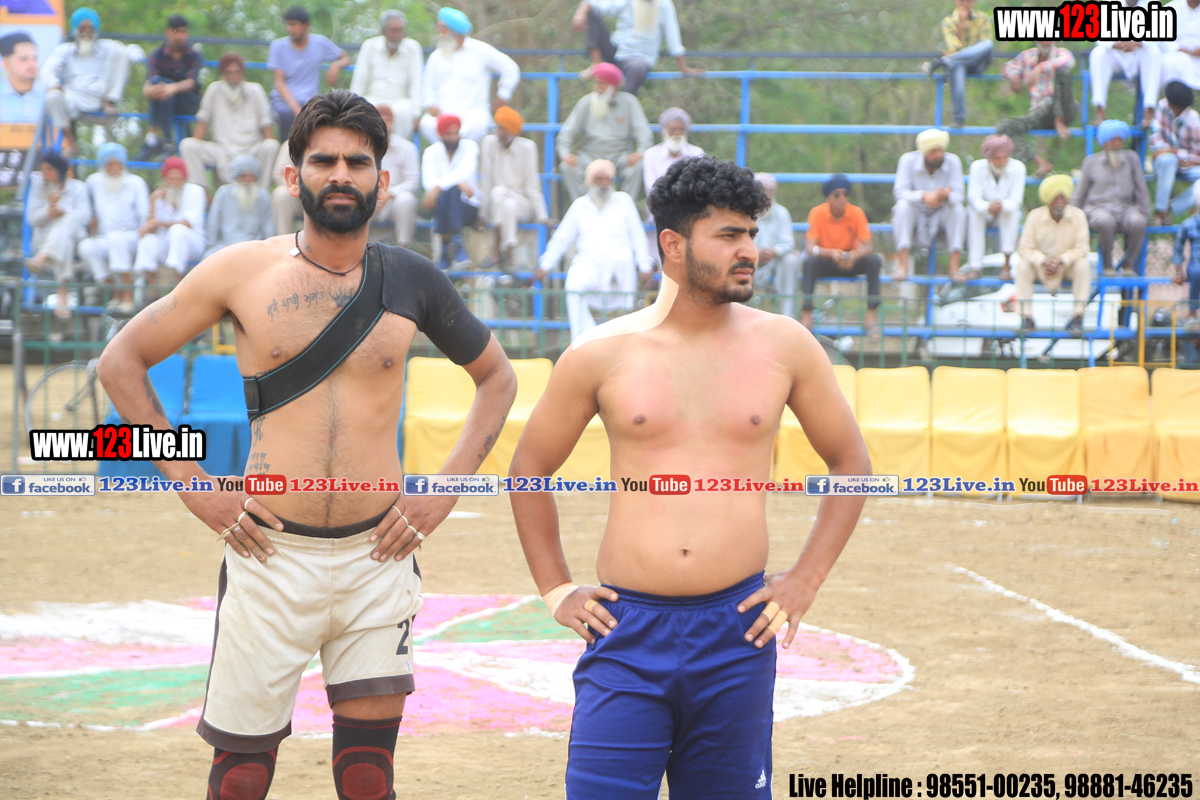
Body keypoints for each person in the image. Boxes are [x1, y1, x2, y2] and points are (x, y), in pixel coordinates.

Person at [96, 89, 516, 800]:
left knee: (366, 777)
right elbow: (120, 362)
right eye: (324, 161)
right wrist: (196, 486)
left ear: (383, 179)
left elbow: (497, 379)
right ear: (294, 176)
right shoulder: (240, 271)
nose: (341, 174)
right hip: (268, 554)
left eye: (358, 162)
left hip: (379, 556)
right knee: (240, 778)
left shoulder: (412, 278)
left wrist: (443, 492)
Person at [509, 156, 869, 799]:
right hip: (625, 631)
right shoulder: (601, 352)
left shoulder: (786, 345)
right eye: (728, 235)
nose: (748, 250)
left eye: (751, 234)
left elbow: (851, 463)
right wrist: (556, 588)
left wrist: (805, 579)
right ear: (673, 245)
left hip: (737, 631)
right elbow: (529, 468)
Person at [537, 158, 653, 341]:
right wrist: (546, 264)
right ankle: (585, 339)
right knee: (573, 284)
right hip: (589, 261)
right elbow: (561, 238)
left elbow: (638, 235)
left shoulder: (624, 201)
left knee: (624, 256)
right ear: (590, 182)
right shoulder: (580, 205)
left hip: (618, 264)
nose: (604, 184)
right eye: (599, 179)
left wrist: (645, 265)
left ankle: (628, 319)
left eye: (608, 179)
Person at [179, 52, 280, 192]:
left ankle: (261, 194)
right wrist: (197, 145)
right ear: (223, 74)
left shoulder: (256, 90)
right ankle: (202, 193)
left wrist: (269, 146)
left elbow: (267, 127)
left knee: (271, 146)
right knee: (188, 145)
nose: (233, 77)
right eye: (228, 73)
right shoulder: (214, 90)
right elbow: (202, 124)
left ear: (242, 73)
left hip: (252, 150)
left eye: (237, 72)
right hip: (222, 151)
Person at [418, 7, 520, 144]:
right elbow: (428, 85)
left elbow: (510, 68)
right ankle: (449, 152)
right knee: (426, 124)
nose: (438, 31)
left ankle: (460, 151)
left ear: (453, 31)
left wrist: (503, 95)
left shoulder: (480, 50)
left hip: (472, 113)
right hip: (443, 113)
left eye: (441, 28)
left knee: (479, 124)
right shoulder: (436, 56)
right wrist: (430, 103)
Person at [557, 62, 653, 203]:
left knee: (638, 165)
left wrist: (640, 152)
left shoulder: (629, 102)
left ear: (613, 85)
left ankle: (624, 207)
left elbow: (643, 132)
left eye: (601, 83)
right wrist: (565, 154)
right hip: (590, 156)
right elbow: (567, 132)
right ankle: (585, 206)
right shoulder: (585, 102)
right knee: (566, 167)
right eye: (595, 83)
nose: (597, 87)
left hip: (619, 156)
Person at [41, 7, 130, 156]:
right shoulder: (65, 50)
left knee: (122, 52)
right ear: (76, 29)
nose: (87, 32)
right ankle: (71, 143)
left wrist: (128, 50)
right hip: (73, 97)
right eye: (83, 28)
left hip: (101, 97)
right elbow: (46, 71)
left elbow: (135, 53)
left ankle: (110, 102)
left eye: (91, 28)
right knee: (52, 97)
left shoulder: (107, 47)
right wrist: (55, 84)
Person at [803, 173, 882, 337]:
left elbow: (869, 246)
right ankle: (807, 314)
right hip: (826, 259)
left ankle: (871, 315)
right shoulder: (817, 213)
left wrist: (853, 255)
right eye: (837, 195)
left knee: (874, 261)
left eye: (846, 194)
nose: (842, 198)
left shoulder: (856, 212)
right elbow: (810, 248)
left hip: (850, 259)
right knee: (809, 263)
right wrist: (832, 253)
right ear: (828, 197)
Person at [1015, 174, 1091, 336]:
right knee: (1022, 266)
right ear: (1048, 200)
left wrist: (1062, 260)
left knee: (1083, 265)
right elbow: (1024, 248)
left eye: (1063, 198)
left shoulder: (1078, 216)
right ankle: (1026, 317)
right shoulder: (1034, 216)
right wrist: (1043, 260)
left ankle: (1078, 317)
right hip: (1040, 267)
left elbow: (1082, 248)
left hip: (1067, 267)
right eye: (1056, 198)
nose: (1060, 202)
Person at [571, 0, 701, 95]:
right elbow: (594, 4)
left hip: (638, 59)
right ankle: (596, 64)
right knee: (590, 13)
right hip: (615, 51)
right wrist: (580, 13)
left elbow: (673, 38)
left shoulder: (665, 4)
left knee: (638, 69)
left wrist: (683, 68)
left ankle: (621, 106)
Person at [78, 143, 150, 315]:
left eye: (118, 163)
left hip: (131, 237)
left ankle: (126, 294)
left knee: (117, 239)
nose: (114, 168)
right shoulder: (94, 182)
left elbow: (145, 215)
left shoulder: (136, 183)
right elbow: (87, 210)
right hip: (105, 237)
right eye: (109, 164)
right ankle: (113, 289)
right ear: (103, 165)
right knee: (85, 247)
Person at [1073, 119, 1150, 276]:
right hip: (1098, 208)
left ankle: (1129, 264)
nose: (1117, 144)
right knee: (1105, 221)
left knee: (1139, 221)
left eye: (1120, 140)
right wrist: (1072, 217)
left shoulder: (1131, 159)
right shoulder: (1091, 162)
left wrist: (1146, 213)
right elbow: (1079, 194)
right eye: (1113, 140)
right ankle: (1107, 264)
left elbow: (1141, 189)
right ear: (1104, 142)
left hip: (1126, 208)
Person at [479, 106, 550, 269]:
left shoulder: (528, 147)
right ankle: (509, 253)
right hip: (499, 203)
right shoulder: (489, 143)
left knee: (500, 193)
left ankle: (496, 251)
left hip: (523, 203)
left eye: (503, 129)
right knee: (504, 201)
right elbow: (486, 180)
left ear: (512, 131)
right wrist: (482, 214)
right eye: (497, 128)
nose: (499, 133)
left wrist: (542, 216)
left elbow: (532, 186)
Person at [891, 128, 965, 281]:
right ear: (924, 152)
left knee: (958, 209)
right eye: (933, 151)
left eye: (941, 150)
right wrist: (923, 196)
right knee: (902, 207)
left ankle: (954, 267)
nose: (939, 155)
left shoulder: (953, 161)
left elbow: (959, 194)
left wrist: (945, 196)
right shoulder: (907, 160)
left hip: (942, 211)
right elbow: (899, 192)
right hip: (917, 211)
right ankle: (903, 265)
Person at [268, 6, 352, 140]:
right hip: (284, 100)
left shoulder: (319, 43)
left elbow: (346, 58)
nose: (290, 29)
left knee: (327, 117)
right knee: (284, 114)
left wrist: (335, 65)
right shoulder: (278, 46)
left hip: (310, 99)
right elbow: (279, 82)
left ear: (305, 25)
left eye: (294, 25)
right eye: (288, 25)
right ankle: (284, 147)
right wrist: (295, 108)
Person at [24, 152, 90, 319]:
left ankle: (41, 258)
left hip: (75, 237)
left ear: (60, 171)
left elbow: (85, 217)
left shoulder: (79, 187)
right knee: (63, 241)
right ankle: (62, 297)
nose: (44, 173)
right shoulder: (37, 187)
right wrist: (49, 211)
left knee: (67, 222)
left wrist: (61, 210)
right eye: (42, 169)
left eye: (49, 169)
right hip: (46, 239)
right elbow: (31, 218)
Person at [997, 41, 1077, 177]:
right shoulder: (1027, 56)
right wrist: (1014, 77)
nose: (1047, 41)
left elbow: (1068, 61)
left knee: (1063, 72)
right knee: (1004, 126)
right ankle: (1040, 162)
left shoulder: (1061, 53)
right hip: (1041, 112)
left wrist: (1040, 68)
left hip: (1065, 110)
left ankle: (1059, 119)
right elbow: (1009, 66)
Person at [133, 156, 207, 287]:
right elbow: (150, 228)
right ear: (164, 179)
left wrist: (158, 223)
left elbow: (187, 223)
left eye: (179, 179)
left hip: (191, 244)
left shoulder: (195, 191)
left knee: (177, 230)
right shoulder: (159, 196)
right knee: (148, 240)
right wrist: (152, 201)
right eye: (171, 179)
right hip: (167, 244)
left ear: (185, 179)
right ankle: (151, 288)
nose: (175, 183)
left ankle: (175, 281)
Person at [349, 10, 424, 137]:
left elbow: (416, 83)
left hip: (399, 100)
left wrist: (417, 113)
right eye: (393, 31)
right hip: (372, 98)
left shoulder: (413, 48)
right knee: (364, 109)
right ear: (383, 31)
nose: (397, 35)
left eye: (400, 31)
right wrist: (351, 107)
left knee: (404, 111)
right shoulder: (369, 46)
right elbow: (359, 80)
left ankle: (398, 147)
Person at [139, 14, 203, 160]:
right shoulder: (157, 54)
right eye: (175, 31)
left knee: (163, 89)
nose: (179, 36)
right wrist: (149, 89)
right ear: (167, 32)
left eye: (183, 31)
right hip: (163, 101)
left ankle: (155, 139)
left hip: (186, 103)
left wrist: (171, 88)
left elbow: (191, 82)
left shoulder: (194, 54)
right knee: (158, 85)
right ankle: (166, 143)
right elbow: (150, 80)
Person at [422, 113, 481, 269]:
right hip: (441, 205)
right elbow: (428, 181)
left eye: (456, 133)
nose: (454, 138)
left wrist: (439, 187)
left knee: (450, 192)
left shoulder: (470, 146)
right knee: (447, 194)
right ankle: (456, 244)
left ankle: (446, 248)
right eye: (449, 134)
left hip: (467, 206)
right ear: (441, 135)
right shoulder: (431, 152)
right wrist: (456, 183)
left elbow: (466, 171)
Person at [922, 0, 994, 128]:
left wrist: (952, 56)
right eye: (961, 0)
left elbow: (984, 47)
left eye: (968, 0)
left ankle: (941, 62)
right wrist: (960, 24)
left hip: (979, 62)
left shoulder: (983, 18)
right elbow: (955, 47)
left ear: (973, 2)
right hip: (959, 63)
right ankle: (958, 119)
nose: (964, 3)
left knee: (988, 44)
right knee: (956, 65)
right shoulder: (948, 21)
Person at [1089, 1, 1162, 127]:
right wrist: (1116, 44)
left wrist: (1137, 42)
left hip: (1139, 54)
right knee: (1098, 53)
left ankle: (1149, 111)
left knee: (1154, 52)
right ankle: (1100, 110)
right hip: (1116, 54)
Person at [966, 134, 1026, 280]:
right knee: (974, 214)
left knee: (1013, 214)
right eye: (997, 158)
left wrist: (1001, 206)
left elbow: (1016, 200)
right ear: (988, 157)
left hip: (1005, 211)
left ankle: (1006, 266)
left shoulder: (1018, 167)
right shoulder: (977, 167)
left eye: (1005, 157)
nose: (1002, 162)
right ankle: (975, 266)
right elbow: (974, 198)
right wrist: (988, 207)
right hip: (983, 211)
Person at [1149, 81, 1200, 224]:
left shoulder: (1194, 122)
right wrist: (1169, 153)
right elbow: (1155, 137)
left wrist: (1174, 152)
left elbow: (1197, 155)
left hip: (1188, 166)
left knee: (1170, 157)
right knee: (1168, 160)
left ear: (1175, 104)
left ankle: (1170, 208)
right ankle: (1159, 213)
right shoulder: (1162, 106)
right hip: (1164, 162)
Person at [751, 173, 800, 321]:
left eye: (770, 191)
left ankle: (788, 316)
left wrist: (774, 252)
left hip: (775, 261)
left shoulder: (782, 213)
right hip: (749, 259)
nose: (767, 195)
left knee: (790, 260)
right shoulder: (744, 213)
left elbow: (788, 243)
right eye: (763, 191)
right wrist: (756, 254)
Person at [204, 155, 273, 258]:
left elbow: (268, 228)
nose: (247, 180)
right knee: (208, 258)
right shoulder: (223, 193)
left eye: (251, 176)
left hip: (254, 247)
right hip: (225, 246)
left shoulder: (263, 196)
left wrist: (270, 249)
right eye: (243, 176)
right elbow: (213, 224)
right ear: (236, 177)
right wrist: (209, 247)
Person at [374, 103, 421, 248]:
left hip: (394, 201)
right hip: (369, 200)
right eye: (380, 120)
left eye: (387, 120)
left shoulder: (408, 148)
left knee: (407, 199)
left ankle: (403, 249)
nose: (384, 125)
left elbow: (413, 181)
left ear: (393, 123)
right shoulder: (361, 147)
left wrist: (389, 194)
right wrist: (372, 196)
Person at [642, 107, 704, 197]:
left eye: (680, 129)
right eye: (673, 129)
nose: (677, 133)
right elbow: (651, 189)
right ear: (664, 131)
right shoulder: (651, 154)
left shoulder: (697, 152)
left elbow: (700, 187)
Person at [0, 31, 45, 124]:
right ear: (6, 63)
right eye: (24, 59)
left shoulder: (49, 96)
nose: (32, 64)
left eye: (35, 58)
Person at [1171, 197, 1200, 331]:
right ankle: (1192, 313)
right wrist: (1179, 271)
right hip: (1196, 264)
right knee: (1197, 271)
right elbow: (1178, 248)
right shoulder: (1189, 224)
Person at [1162, 0, 1200, 90]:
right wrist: (1187, 51)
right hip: (1178, 54)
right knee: (1170, 61)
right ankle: (1173, 97)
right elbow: (1163, 39)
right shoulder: (1170, 9)